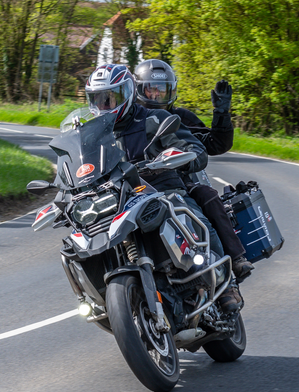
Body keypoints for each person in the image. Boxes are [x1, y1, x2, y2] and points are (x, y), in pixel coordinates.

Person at [85, 63, 241, 312]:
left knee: (198, 206)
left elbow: (206, 145)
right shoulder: (92, 133)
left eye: (111, 98)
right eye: (100, 99)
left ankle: (225, 280)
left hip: (165, 184)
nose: (106, 105)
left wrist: (219, 117)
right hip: (120, 196)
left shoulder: (160, 118)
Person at [134, 59, 254, 284]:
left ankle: (234, 262)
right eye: (152, 90)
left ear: (173, 91)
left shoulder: (180, 118)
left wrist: (222, 113)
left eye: (163, 90)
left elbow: (215, 145)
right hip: (136, 187)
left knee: (207, 196)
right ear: (139, 90)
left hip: (181, 182)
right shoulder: (129, 122)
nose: (157, 96)